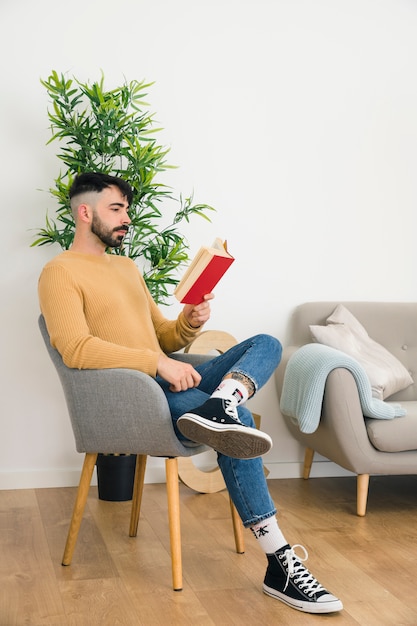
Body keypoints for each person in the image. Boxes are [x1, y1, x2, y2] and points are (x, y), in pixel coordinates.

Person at [38, 172, 343, 615]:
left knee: (266, 343)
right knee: (235, 426)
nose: (127, 219)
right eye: (116, 209)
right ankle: (280, 561)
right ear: (85, 213)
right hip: (139, 396)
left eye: (126, 209)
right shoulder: (58, 272)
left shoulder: (125, 268)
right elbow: (76, 348)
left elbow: (162, 337)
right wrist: (157, 364)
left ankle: (222, 401)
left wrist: (190, 322)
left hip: (170, 380)